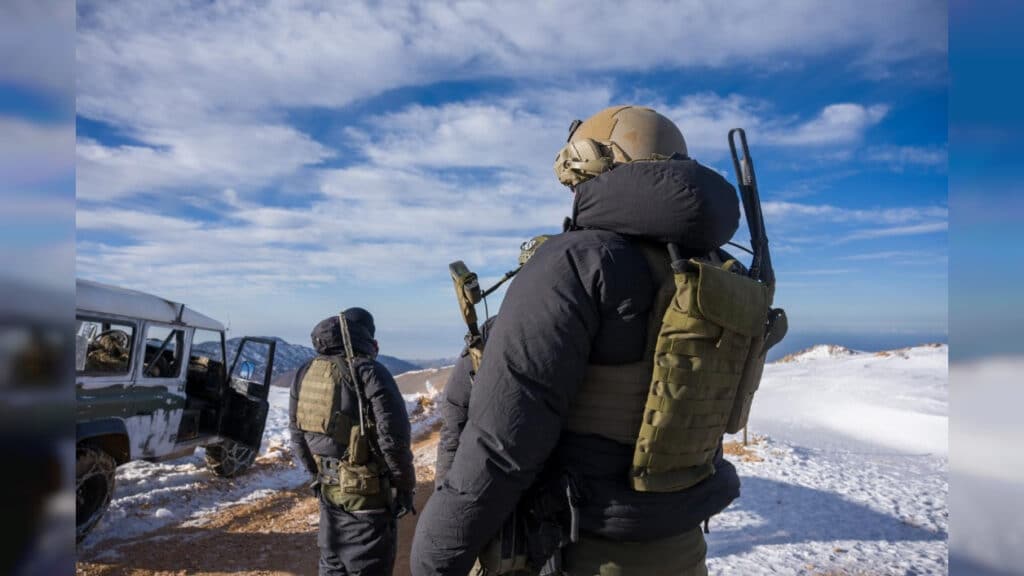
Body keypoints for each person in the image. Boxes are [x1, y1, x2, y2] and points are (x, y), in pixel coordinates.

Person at [412, 106, 747, 575]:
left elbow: (500, 446)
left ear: (594, 166)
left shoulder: (576, 262)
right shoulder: (717, 272)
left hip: (580, 552)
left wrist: (433, 560)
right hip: (684, 549)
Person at [289, 308, 416, 576]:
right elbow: (393, 440)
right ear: (367, 338)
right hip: (368, 503)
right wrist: (404, 487)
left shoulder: (306, 372)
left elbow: (297, 434)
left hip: (329, 499)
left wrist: (315, 476)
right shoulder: (370, 372)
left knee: (333, 568)